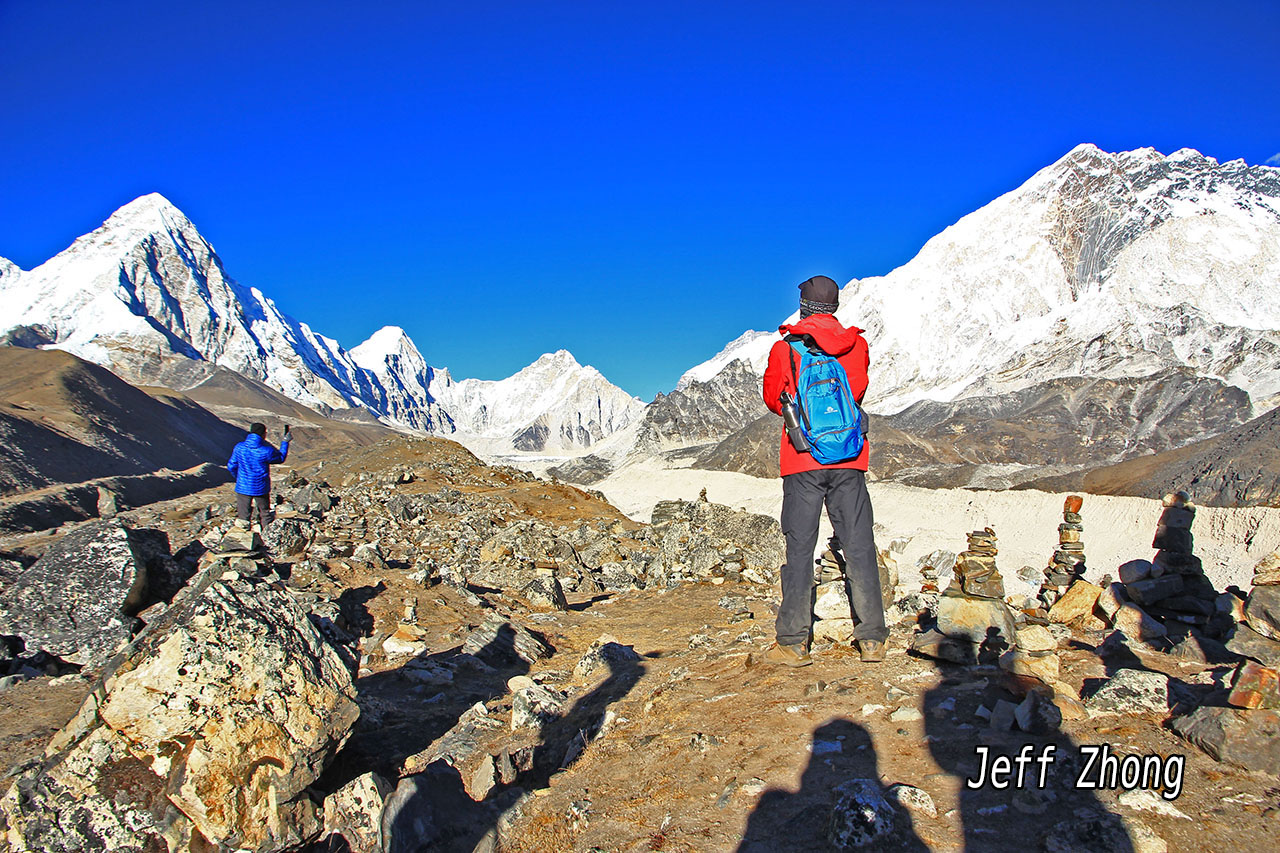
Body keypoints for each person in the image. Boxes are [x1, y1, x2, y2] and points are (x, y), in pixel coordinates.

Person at [761, 275, 887, 666]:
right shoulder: (858, 344)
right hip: (849, 457)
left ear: (804, 305)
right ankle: (872, 640)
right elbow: (859, 389)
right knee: (859, 545)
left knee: (800, 548)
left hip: (803, 460)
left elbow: (772, 399)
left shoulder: (787, 347)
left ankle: (794, 643)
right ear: (833, 306)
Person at [227, 422, 290, 529]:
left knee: (243, 516)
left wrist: (238, 478)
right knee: (265, 513)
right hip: (260, 487)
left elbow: (231, 465)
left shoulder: (239, 448)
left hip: (243, 487)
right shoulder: (266, 451)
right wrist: (285, 442)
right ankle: (267, 535)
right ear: (263, 434)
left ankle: (242, 540)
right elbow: (280, 458)